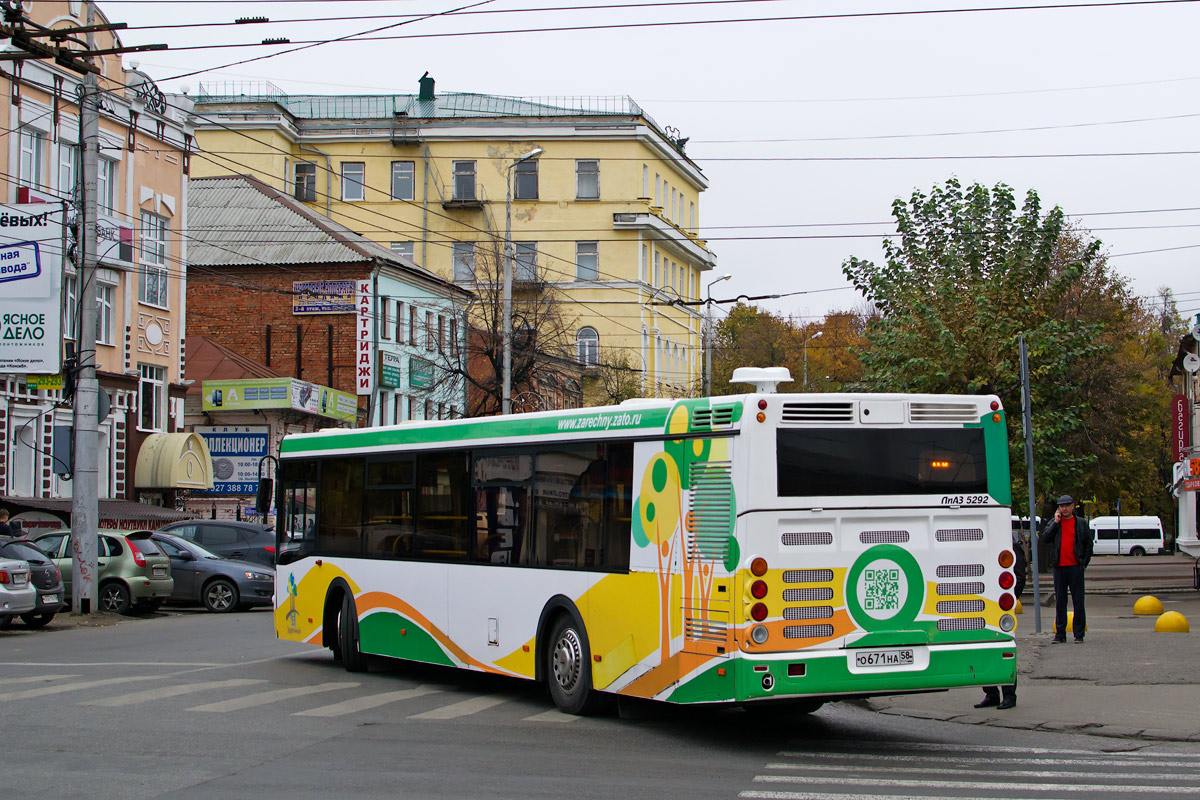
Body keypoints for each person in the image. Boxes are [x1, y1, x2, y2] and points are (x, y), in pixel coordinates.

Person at [974, 529, 1027, 710]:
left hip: (999, 606)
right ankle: (991, 693)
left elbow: (1019, 577)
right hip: (982, 604)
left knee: (1003, 648)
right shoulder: (982, 546)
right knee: (981, 648)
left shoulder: (1011, 547)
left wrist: (1009, 601)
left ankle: (1009, 695)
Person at [1039, 494, 1093, 643]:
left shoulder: (1081, 523)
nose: (1064, 508)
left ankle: (1078, 635)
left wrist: (1083, 563)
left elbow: (1089, 544)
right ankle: (1060, 634)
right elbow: (1045, 538)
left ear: (1072, 506)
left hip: (1075, 567)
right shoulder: (1055, 523)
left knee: (1078, 601)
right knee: (1060, 601)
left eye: (1067, 505)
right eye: (1061, 506)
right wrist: (1056, 523)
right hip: (1059, 567)